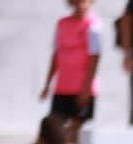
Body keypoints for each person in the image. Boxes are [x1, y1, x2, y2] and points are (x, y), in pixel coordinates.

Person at [41, 0, 103, 134]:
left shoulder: (93, 25)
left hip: (82, 89)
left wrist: (86, 89)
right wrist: (47, 84)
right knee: (56, 131)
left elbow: (94, 57)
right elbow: (56, 55)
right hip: (62, 88)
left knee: (75, 131)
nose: (81, 5)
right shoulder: (62, 24)